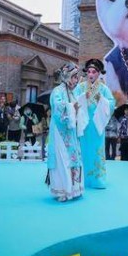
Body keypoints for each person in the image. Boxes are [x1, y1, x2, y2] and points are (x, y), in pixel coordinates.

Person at [74, 58, 115, 189]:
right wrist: (82, 98)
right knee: (83, 151)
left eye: (94, 72)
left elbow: (112, 104)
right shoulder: (80, 87)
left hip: (97, 126)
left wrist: (101, 100)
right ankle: (83, 180)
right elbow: (73, 102)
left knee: (97, 152)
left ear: (98, 73)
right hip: (84, 125)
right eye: (89, 72)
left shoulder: (103, 88)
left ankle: (97, 180)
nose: (91, 74)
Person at [46, 63, 83, 202]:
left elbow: (77, 109)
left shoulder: (73, 92)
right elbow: (57, 109)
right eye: (73, 77)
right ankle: (62, 190)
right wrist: (72, 107)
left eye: (76, 77)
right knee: (62, 159)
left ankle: (74, 189)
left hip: (71, 131)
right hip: (59, 132)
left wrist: (77, 109)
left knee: (73, 157)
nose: (76, 80)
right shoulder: (57, 91)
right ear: (66, 77)